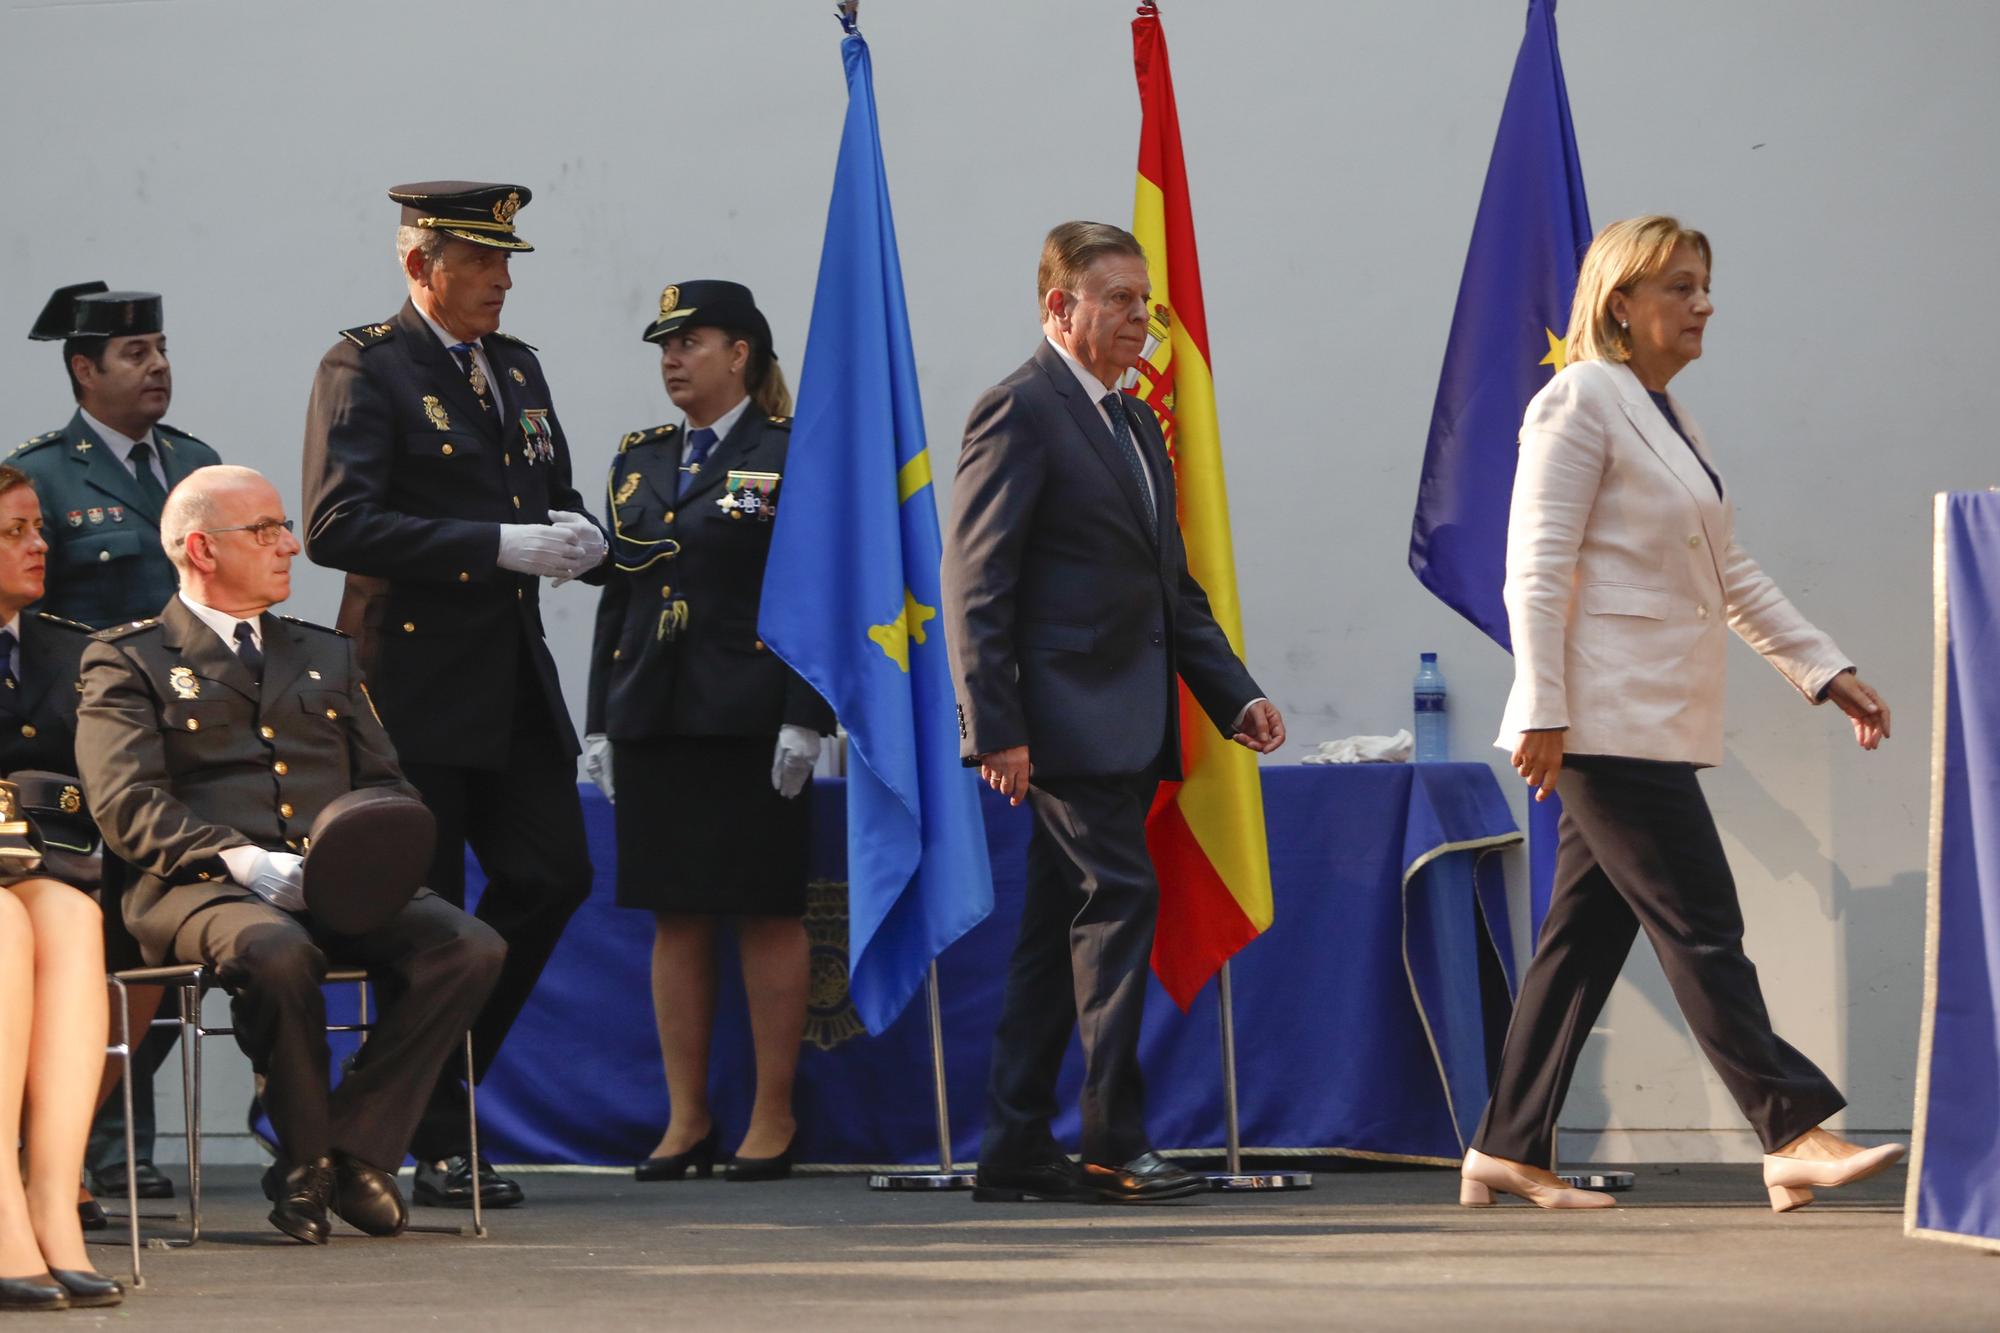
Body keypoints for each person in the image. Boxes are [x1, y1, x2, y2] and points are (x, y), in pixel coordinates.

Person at [1463, 215, 1903, 1212]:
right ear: (1620, 302)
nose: (1701, 304)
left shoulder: (1662, 416)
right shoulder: (1576, 402)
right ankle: (1787, 1124)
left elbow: (1726, 569)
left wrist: (1820, 667)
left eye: (1704, 286)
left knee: (1578, 939)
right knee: (1700, 923)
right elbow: (1532, 567)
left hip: (1650, 715)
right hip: (1600, 721)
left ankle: (1505, 1144)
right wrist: (1539, 706)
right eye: (1678, 286)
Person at [941, 222, 1286, 1205]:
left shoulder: (1132, 422)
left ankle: (1012, 1142)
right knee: (1118, 906)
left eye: (1147, 301)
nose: (1142, 319)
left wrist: (1235, 695)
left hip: (1126, 725)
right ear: (1060, 307)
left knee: (1057, 933)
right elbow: (976, 582)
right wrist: (993, 727)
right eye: (1121, 300)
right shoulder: (1016, 409)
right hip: (1058, 727)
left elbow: (1168, 590)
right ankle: (1108, 1141)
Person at [75, 465, 506, 1245]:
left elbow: (385, 782)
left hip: (327, 878)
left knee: (469, 945)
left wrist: (356, 860)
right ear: (201, 548)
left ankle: (346, 1151)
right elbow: (125, 805)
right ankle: (309, 1158)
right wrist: (242, 860)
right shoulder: (128, 658)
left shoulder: (325, 654)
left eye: (284, 526)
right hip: (196, 885)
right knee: (275, 949)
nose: (291, 546)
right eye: (267, 530)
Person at [301, 181, 606, 1210]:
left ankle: (417, 1101)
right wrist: (496, 545)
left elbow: (547, 494)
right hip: (413, 688)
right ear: (418, 265)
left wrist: (587, 543)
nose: (502, 280)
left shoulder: (515, 369)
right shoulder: (365, 367)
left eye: (506, 261)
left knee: (553, 875)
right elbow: (337, 525)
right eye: (481, 262)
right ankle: (422, 1136)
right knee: (423, 913)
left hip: (513, 681)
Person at [585, 281, 835, 1184]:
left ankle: (772, 1113)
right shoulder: (638, 461)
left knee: (766, 909)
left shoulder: (793, 450)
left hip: (753, 718)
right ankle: (686, 1116)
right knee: (676, 913)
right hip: (654, 712)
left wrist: (808, 715)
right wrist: (600, 721)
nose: (672, 359)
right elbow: (623, 591)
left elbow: (818, 593)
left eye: (691, 342)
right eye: (664, 346)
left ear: (743, 353)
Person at [16, 282, 221, 1204]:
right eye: (135, 355)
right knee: (99, 941)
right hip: (82, 747)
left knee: (168, 946)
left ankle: (112, 1115)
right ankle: (97, 1142)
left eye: (163, 349)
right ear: (83, 369)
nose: (158, 367)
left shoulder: (196, 465)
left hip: (194, 743)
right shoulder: (43, 479)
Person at [0, 482, 122, 1311]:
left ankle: (52, 1196)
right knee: (3, 922)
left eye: (38, 527)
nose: (40, 543)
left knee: (72, 913)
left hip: (36, 858)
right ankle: (3, 1205)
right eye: (14, 531)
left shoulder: (70, 646)